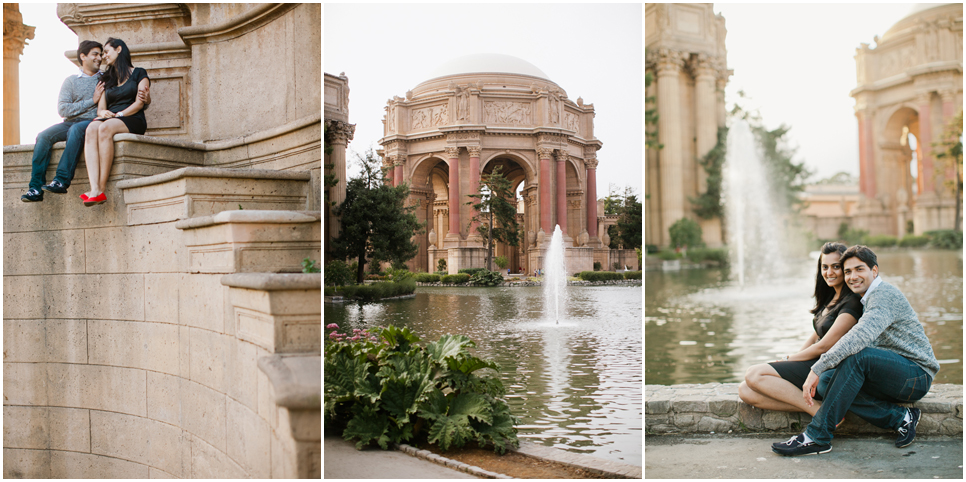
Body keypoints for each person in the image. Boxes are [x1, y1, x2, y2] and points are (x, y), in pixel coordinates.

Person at [772, 245, 939, 456]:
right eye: (848, 271)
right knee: (826, 381)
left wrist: (816, 367)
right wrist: (821, 372)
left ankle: (817, 437)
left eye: (859, 269)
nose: (852, 276)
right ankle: (901, 418)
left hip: (916, 375)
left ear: (874, 271)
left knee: (859, 357)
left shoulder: (883, 295)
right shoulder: (865, 298)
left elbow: (859, 337)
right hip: (890, 374)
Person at [739, 242, 861, 418]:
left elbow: (824, 346)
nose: (829, 272)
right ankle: (820, 408)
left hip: (826, 369)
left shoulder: (852, 303)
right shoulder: (830, 298)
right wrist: (794, 359)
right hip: (812, 363)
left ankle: (821, 415)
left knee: (754, 374)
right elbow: (816, 337)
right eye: (825, 267)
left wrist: (788, 359)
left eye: (836, 267)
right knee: (745, 390)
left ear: (845, 268)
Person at [21, 41, 103, 202]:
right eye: (95, 54)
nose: (99, 58)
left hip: (91, 122)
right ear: (83, 56)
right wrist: (92, 100)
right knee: (43, 136)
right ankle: (35, 189)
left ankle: (61, 180)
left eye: (100, 54)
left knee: (76, 130)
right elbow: (63, 110)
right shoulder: (71, 81)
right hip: (69, 122)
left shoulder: (105, 79)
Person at [81, 37, 150, 206]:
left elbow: (140, 102)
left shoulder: (139, 73)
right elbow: (101, 108)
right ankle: (94, 187)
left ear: (119, 49)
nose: (104, 56)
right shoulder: (106, 78)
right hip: (111, 117)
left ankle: (101, 189)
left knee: (104, 129)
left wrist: (119, 114)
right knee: (91, 128)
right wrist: (104, 112)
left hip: (132, 117)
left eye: (106, 52)